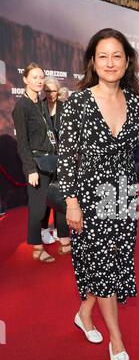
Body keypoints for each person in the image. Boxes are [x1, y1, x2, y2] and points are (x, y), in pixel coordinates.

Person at [57, 29, 139, 360]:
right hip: (89, 198)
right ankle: (117, 340)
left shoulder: (135, 102)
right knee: (104, 266)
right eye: (103, 56)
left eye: (117, 56)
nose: (110, 63)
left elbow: (135, 154)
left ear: (127, 61)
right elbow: (66, 156)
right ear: (93, 61)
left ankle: (83, 312)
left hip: (121, 196)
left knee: (115, 262)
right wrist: (71, 202)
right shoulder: (78, 103)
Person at [12, 63, 70, 262]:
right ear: (25, 79)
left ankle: (65, 242)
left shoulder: (41, 104)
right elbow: (22, 143)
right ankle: (37, 247)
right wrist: (30, 169)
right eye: (34, 77)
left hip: (54, 160)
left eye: (41, 77)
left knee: (60, 202)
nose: (39, 81)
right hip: (37, 163)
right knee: (38, 208)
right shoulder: (22, 106)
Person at [41, 76, 67, 246]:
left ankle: (59, 229)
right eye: (47, 90)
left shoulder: (65, 107)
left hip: (62, 157)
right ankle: (43, 230)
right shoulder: (39, 107)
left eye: (53, 90)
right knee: (44, 196)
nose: (50, 94)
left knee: (59, 195)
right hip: (44, 158)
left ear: (58, 90)